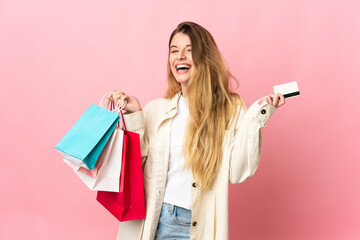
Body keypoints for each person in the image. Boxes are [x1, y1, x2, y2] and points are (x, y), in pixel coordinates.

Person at [108, 21, 285, 240]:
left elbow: (238, 172)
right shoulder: (156, 109)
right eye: (174, 51)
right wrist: (135, 115)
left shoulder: (229, 109)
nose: (180, 57)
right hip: (153, 220)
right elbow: (136, 166)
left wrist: (257, 118)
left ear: (204, 57)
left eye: (189, 50)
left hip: (193, 225)